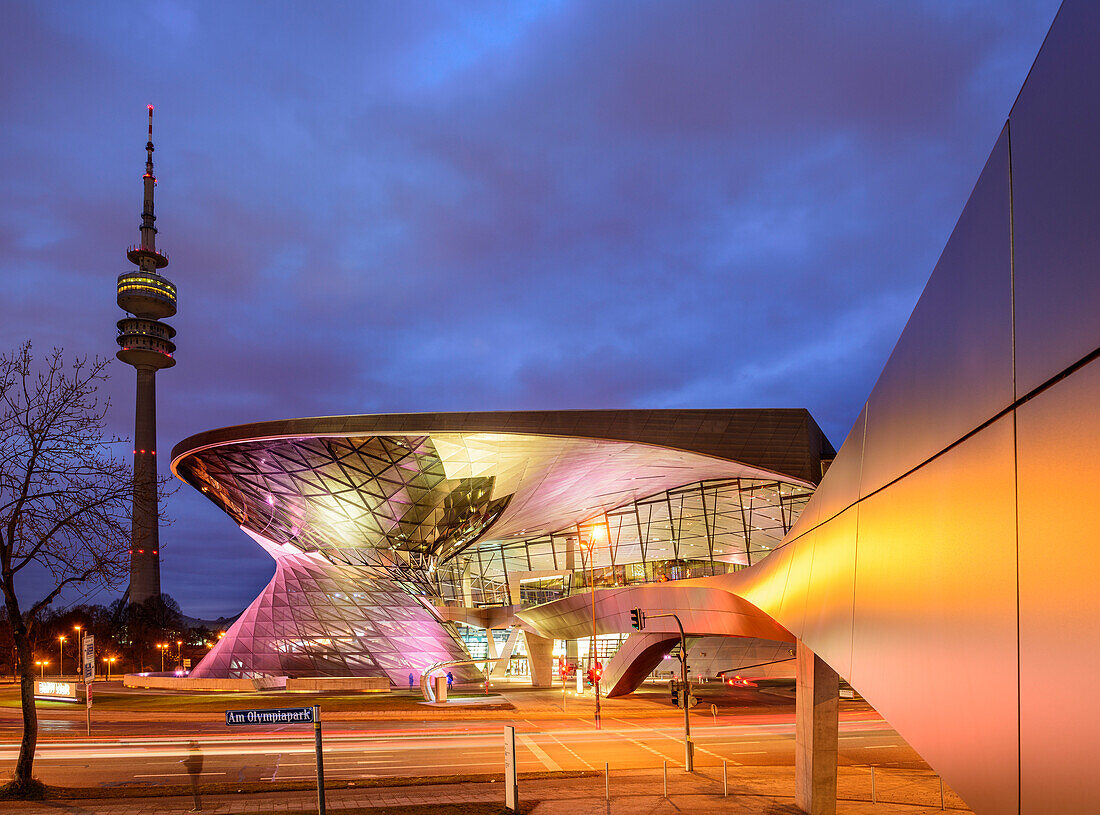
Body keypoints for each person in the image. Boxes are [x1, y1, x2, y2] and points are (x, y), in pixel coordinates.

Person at [182, 740, 204, 812]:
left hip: (194, 772)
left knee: (195, 790)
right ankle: (198, 807)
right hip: (196, 771)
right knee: (195, 789)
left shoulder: (194, 752)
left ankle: (198, 807)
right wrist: (186, 760)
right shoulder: (197, 751)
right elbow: (193, 760)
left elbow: (193, 763)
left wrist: (185, 763)